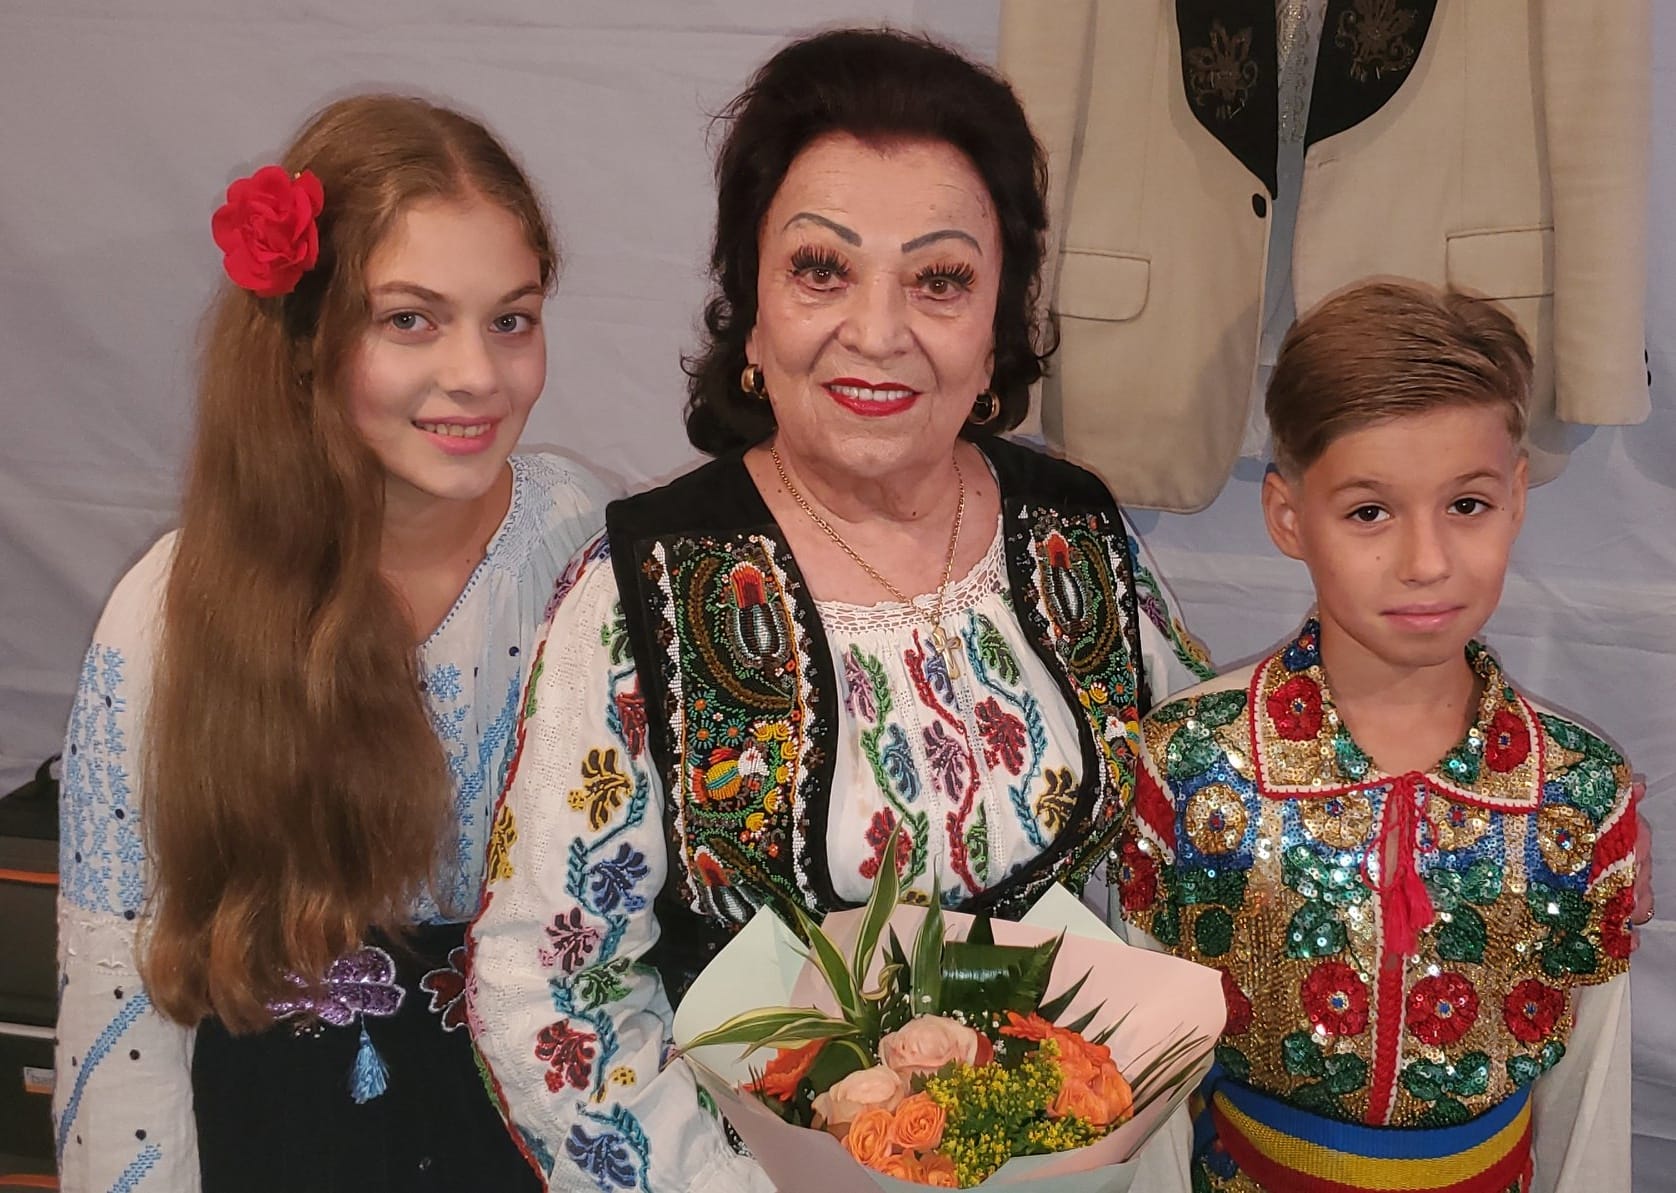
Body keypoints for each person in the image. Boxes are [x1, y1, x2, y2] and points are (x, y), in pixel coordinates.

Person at [465, 26, 1214, 1191]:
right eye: (821, 268)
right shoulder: (644, 595)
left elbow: (1191, 836)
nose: (876, 330)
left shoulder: (1074, 536)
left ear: (998, 320)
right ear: (752, 309)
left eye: (939, 279)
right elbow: (551, 985)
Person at [53, 94, 612, 1192]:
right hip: (281, 1144)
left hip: (536, 1133)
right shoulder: (173, 611)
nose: (477, 374)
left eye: (511, 319)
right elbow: (119, 997)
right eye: (410, 320)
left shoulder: (578, 545)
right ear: (308, 334)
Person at [1117, 280, 1637, 1192]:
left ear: (1517, 495)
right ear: (1289, 517)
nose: (1426, 561)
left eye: (1467, 505)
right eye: (1369, 512)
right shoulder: (1195, 766)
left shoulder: (1579, 791)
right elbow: (1145, 1082)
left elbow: (1590, 1095)